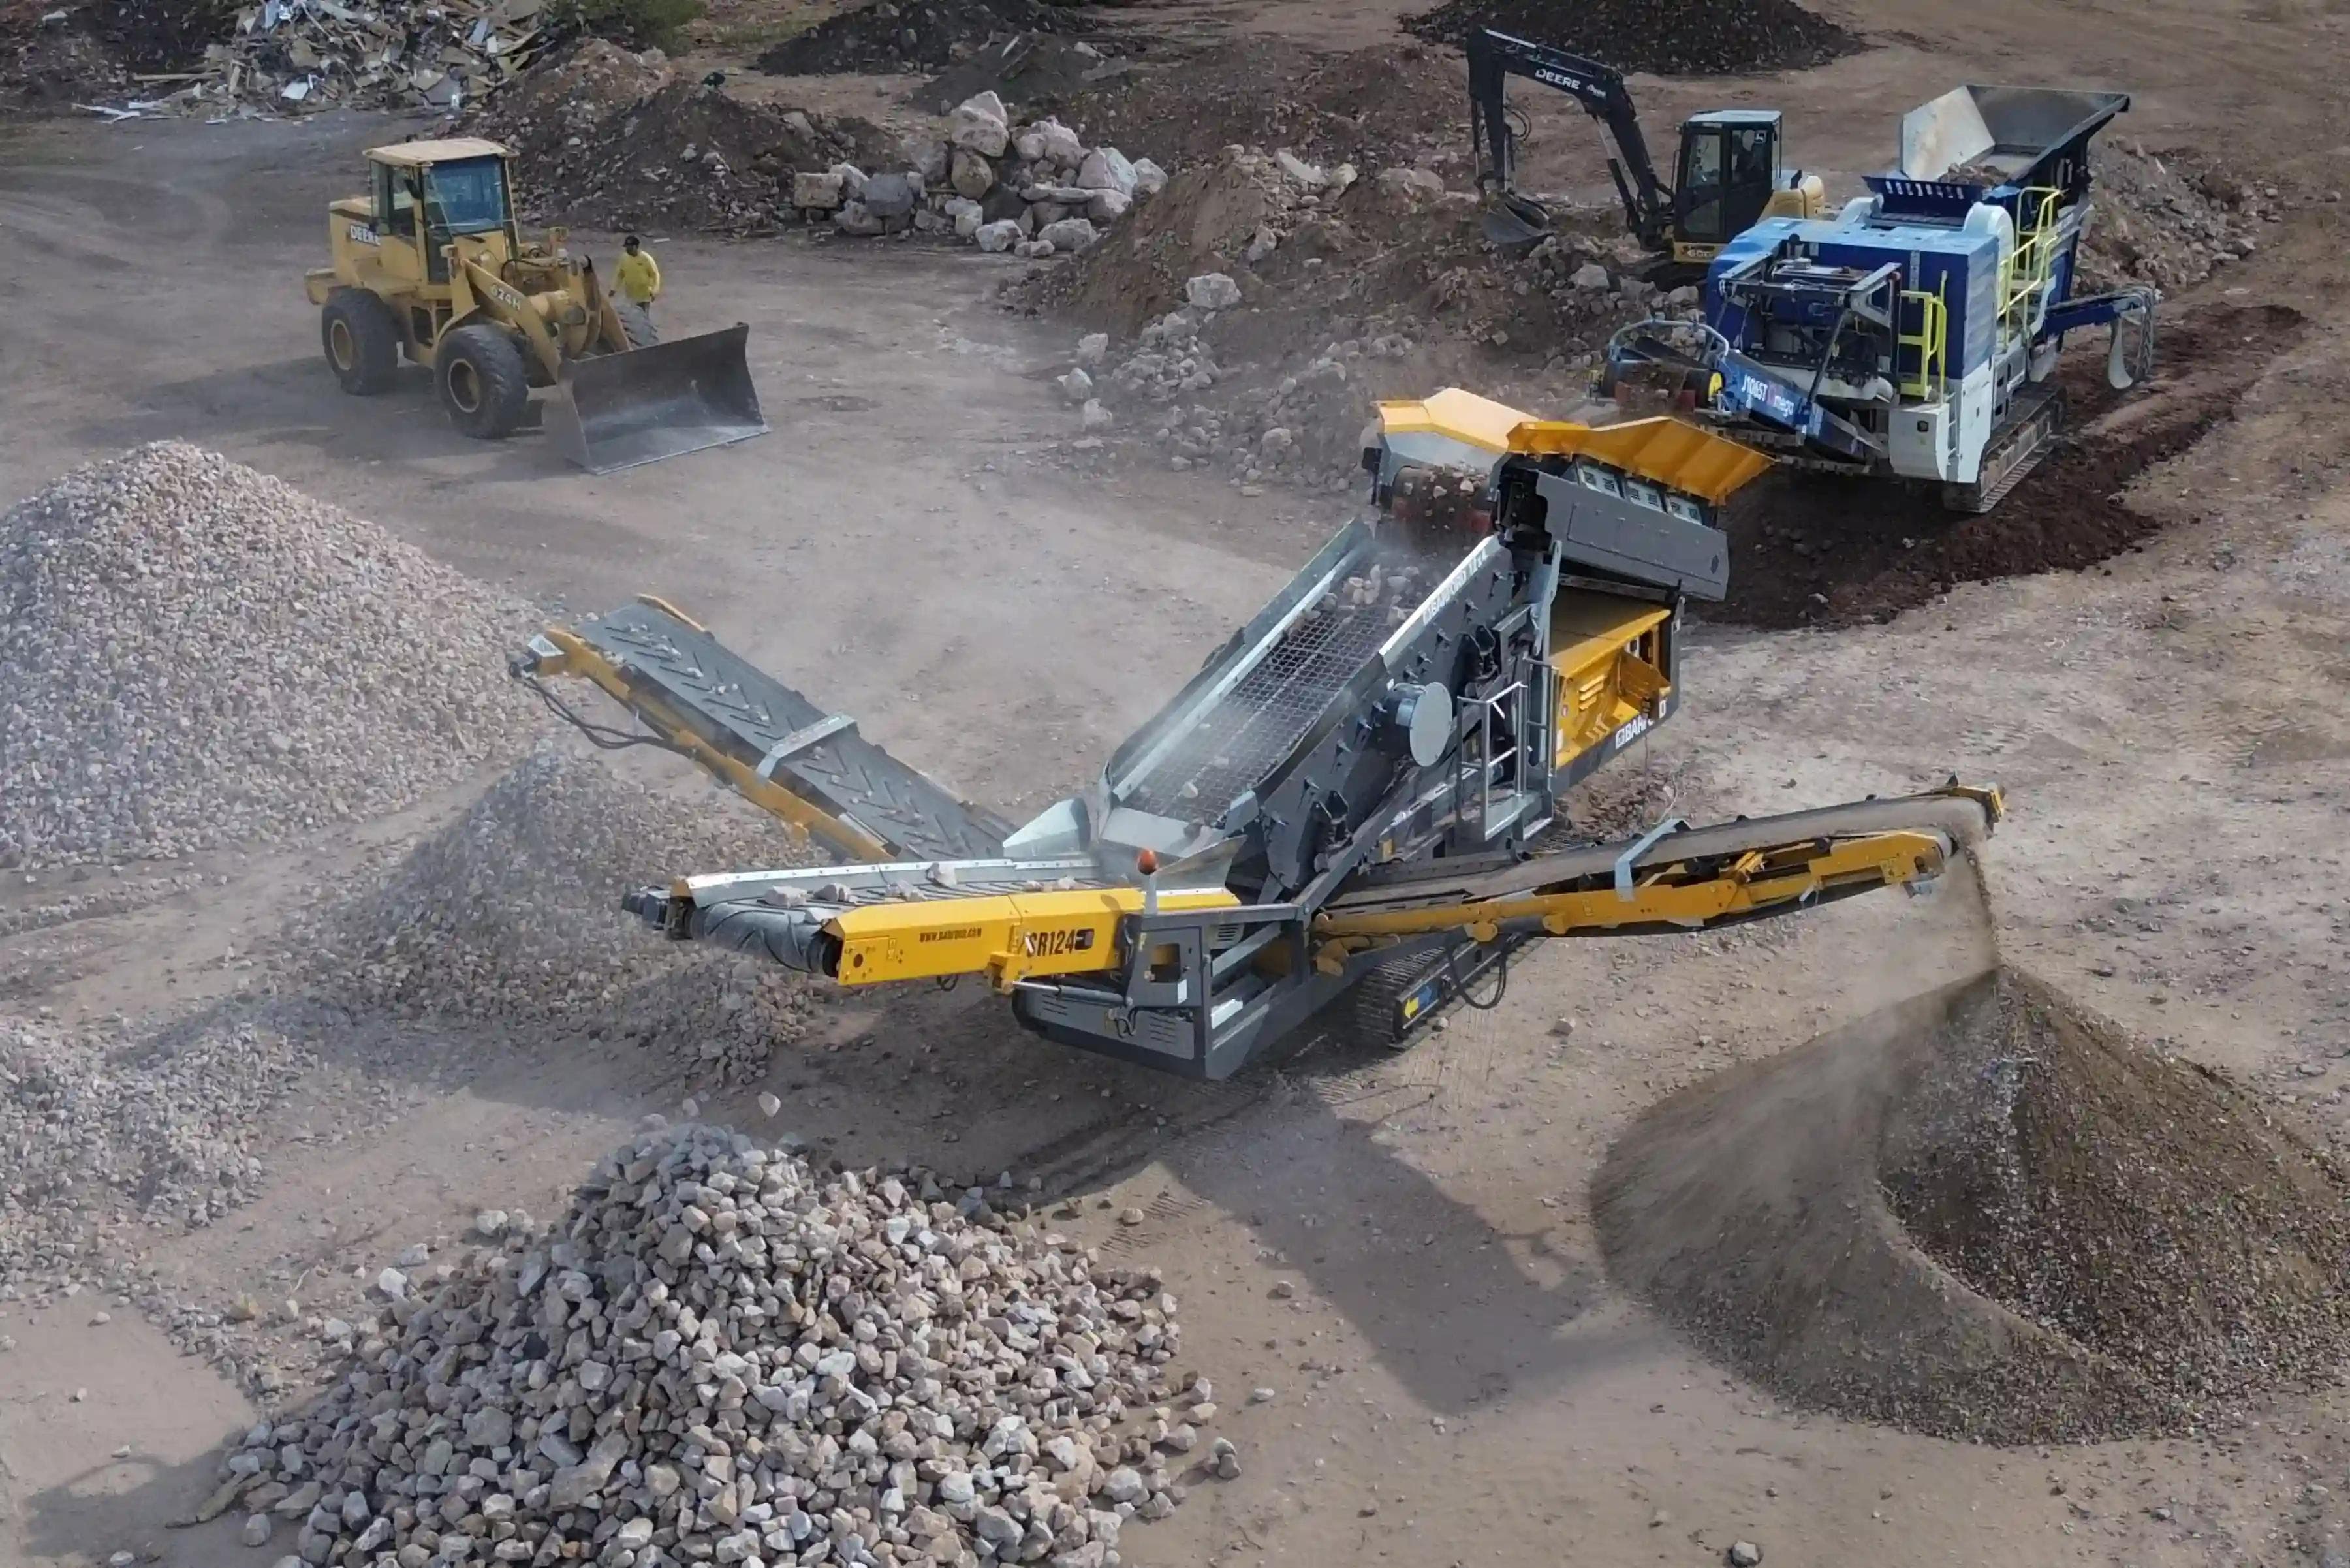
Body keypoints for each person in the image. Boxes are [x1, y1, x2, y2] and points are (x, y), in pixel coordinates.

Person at [615, 234, 661, 319]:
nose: (628, 250)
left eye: (630, 248)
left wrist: (655, 291)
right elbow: (620, 274)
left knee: (643, 317)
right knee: (633, 317)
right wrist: (614, 288)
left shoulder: (646, 259)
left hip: (644, 294)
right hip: (631, 294)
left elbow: (655, 275)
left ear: (636, 247)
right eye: (627, 247)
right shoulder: (624, 258)